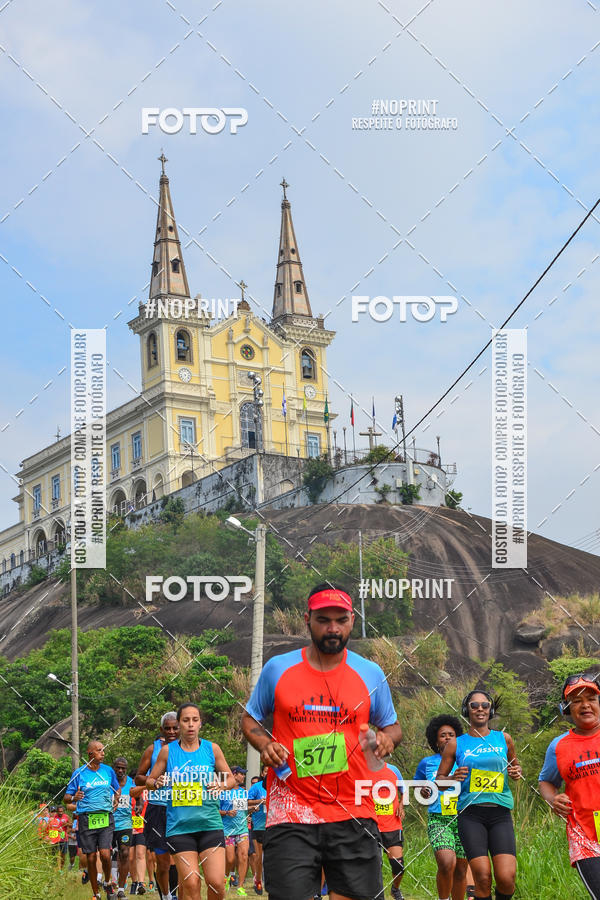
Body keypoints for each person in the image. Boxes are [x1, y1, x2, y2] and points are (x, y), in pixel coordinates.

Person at [241, 582, 402, 900]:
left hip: (354, 811)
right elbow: (250, 718)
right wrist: (264, 744)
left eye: (341, 620)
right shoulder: (278, 669)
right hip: (290, 814)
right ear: (307, 619)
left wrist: (387, 739)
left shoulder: (370, 673)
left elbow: (393, 726)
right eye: (323, 620)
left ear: (352, 620)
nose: (333, 628)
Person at [437, 690, 521, 900]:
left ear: (490, 710)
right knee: (482, 877)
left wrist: (516, 772)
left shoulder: (504, 739)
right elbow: (439, 781)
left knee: (507, 877)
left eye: (485, 705)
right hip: (470, 815)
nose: (480, 709)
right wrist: (453, 777)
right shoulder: (456, 744)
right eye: (474, 705)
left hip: (500, 814)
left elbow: (515, 767)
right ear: (467, 710)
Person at [148, 702, 236, 900]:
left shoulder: (211, 749)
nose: (190, 724)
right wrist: (156, 782)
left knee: (216, 883)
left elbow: (230, 778)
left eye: (194, 720)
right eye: (185, 720)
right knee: (191, 881)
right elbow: (149, 780)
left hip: (210, 825)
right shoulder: (168, 752)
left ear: (200, 724)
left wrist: (222, 786)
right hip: (180, 828)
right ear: (179, 724)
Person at [539, 673, 600, 898]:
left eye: (591, 698)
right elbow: (546, 781)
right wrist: (553, 799)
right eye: (577, 700)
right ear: (566, 708)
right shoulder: (558, 746)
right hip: (584, 836)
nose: (585, 705)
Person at [414, 715, 468, 900]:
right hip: (439, 819)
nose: (447, 738)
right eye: (442, 735)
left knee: (461, 869)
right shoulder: (427, 763)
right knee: (446, 863)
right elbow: (418, 787)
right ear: (435, 740)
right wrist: (424, 792)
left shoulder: (465, 759)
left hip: (464, 818)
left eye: (451, 735)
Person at [64, 739, 121, 899]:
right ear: (90, 754)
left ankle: (108, 883)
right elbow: (66, 798)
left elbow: (117, 789)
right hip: (86, 818)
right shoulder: (79, 773)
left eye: (103, 750)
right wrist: (74, 796)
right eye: (99, 750)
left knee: (104, 853)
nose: (103, 753)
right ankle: (96, 893)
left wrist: (116, 799)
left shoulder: (108, 771)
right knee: (90, 856)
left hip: (105, 817)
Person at [136, 712, 180, 900]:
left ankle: (176, 895)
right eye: (167, 728)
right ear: (161, 729)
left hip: (181, 808)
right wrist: (153, 781)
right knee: (162, 861)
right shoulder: (152, 749)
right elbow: (138, 777)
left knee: (178, 859)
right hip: (157, 808)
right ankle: (165, 895)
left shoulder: (191, 749)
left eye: (175, 728)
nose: (171, 731)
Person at [369, 761, 404, 900]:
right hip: (372, 825)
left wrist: (401, 805)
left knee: (398, 865)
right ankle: (376, 895)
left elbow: (404, 791)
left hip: (392, 825)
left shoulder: (393, 770)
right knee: (375, 864)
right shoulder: (363, 769)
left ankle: (395, 889)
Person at [220, 765, 250, 895]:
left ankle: (240, 886)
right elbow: (215, 811)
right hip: (227, 830)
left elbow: (243, 810)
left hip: (242, 829)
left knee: (243, 856)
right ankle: (226, 877)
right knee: (230, 859)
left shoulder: (243, 792)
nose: (243, 776)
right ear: (234, 774)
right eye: (241, 774)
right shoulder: (222, 791)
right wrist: (226, 812)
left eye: (244, 774)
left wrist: (251, 811)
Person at [113, 757, 135, 898]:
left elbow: (139, 798)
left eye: (123, 768)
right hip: (108, 823)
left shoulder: (132, 783)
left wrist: (138, 805)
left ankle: (121, 889)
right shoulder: (108, 782)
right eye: (118, 768)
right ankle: (108, 882)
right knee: (106, 855)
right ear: (113, 768)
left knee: (125, 853)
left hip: (125, 824)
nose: (120, 770)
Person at [247, 768, 268, 895]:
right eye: (266, 771)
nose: (268, 773)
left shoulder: (277, 785)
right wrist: (260, 801)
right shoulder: (257, 787)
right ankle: (258, 880)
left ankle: (272, 881)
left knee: (273, 856)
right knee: (259, 857)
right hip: (259, 826)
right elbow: (247, 802)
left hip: (274, 825)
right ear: (262, 773)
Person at [129, 790, 148, 895]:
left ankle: (141, 883)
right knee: (131, 857)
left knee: (140, 854)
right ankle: (134, 882)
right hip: (128, 826)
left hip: (142, 827)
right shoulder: (128, 790)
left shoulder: (146, 791)